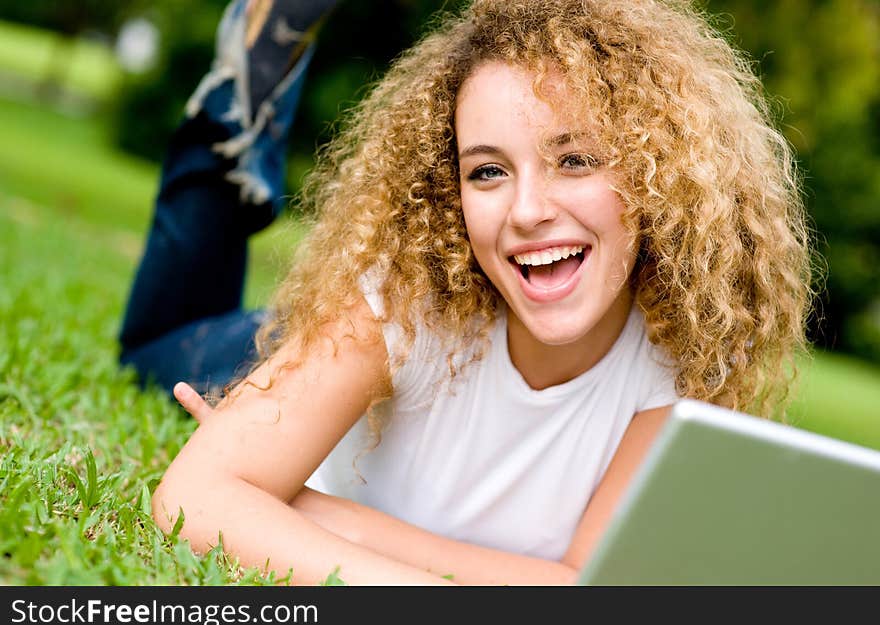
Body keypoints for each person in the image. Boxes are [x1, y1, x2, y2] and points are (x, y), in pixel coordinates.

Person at [136, 0, 813, 585]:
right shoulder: (404, 302)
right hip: (300, 357)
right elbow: (195, 497)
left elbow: (589, 589)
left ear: (658, 173)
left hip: (358, 389)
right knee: (157, 345)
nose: (525, 210)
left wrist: (319, 514)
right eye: (486, 171)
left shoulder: (680, 365)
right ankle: (231, 120)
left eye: (574, 160)